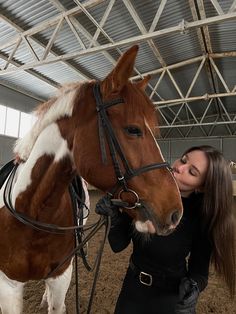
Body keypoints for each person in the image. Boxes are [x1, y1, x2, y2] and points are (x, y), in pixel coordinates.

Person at [95, 145, 236, 314]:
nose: (179, 167)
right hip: (132, 291)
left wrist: (194, 287)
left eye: (192, 172)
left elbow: (199, 272)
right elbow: (117, 245)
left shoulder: (201, 219)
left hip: (169, 300)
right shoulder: (142, 197)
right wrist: (114, 217)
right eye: (183, 160)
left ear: (202, 187)